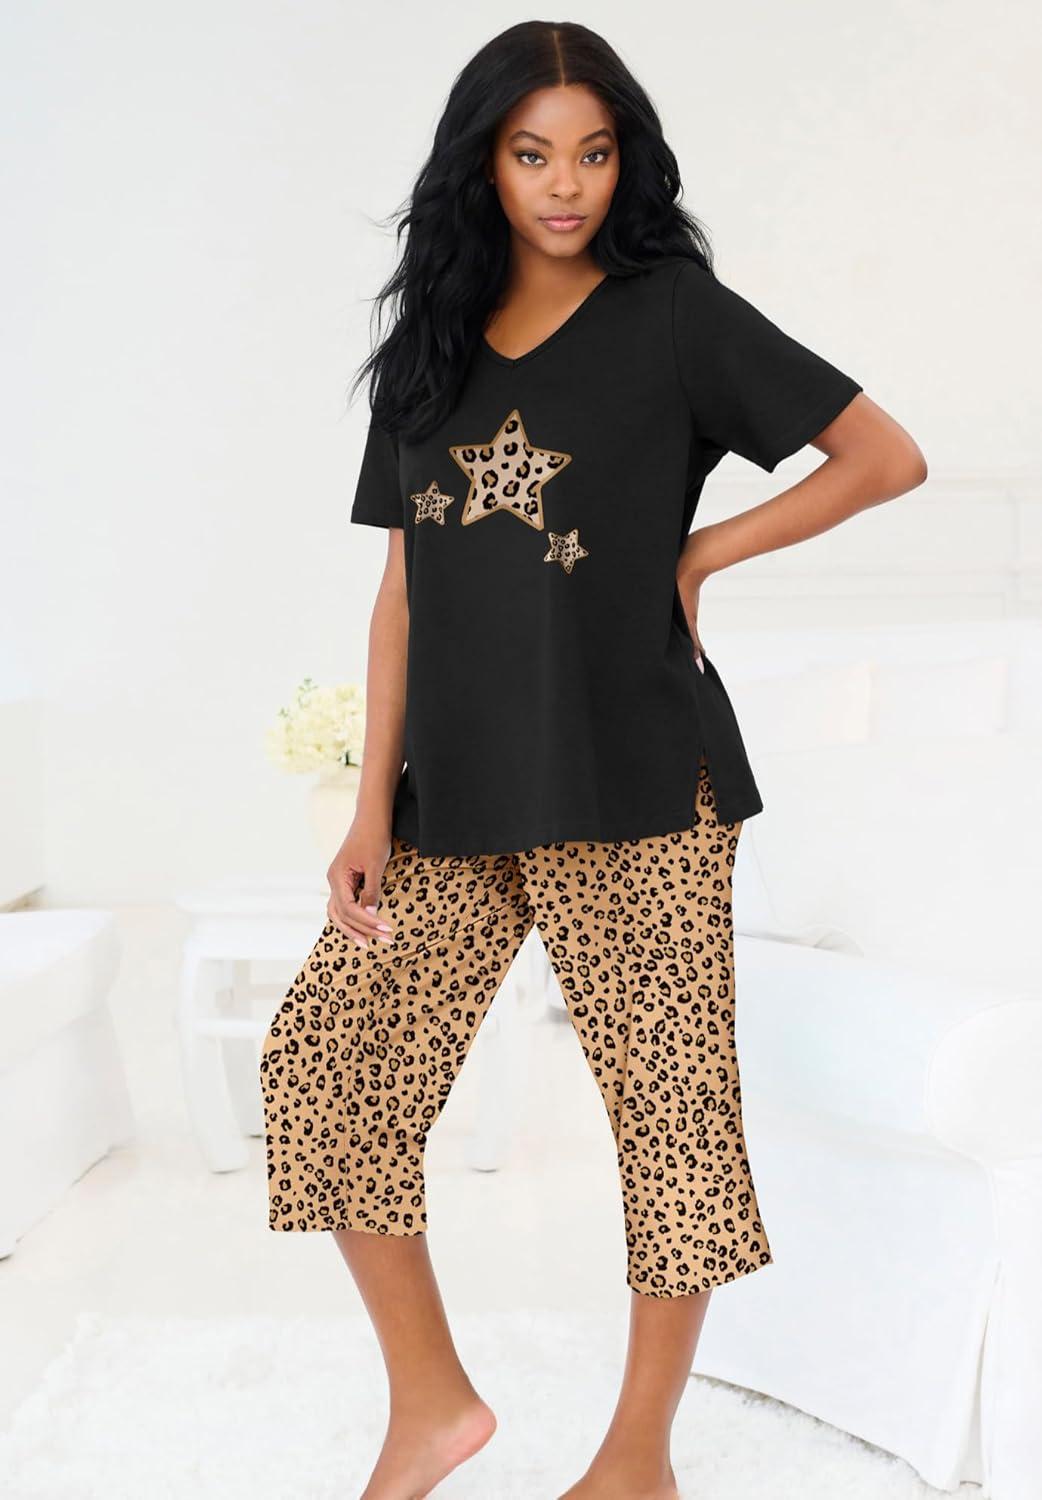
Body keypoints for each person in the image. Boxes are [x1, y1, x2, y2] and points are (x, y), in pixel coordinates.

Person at [260, 20, 926, 1500]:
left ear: (626, 162)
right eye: (532, 153)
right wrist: (368, 808)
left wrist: (701, 552)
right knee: (326, 1074)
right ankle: (432, 1407)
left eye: (593, 152)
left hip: (640, 787)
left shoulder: (673, 315)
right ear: (483, 164)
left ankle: (636, 1461)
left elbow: (883, 455)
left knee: (668, 1123)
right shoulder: (428, 345)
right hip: (455, 792)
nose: (565, 184)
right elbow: (402, 592)